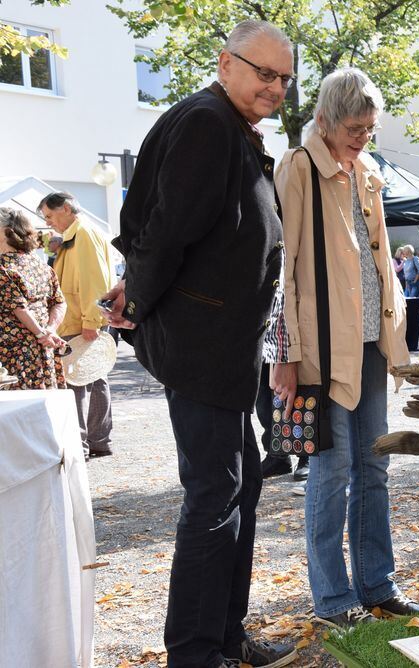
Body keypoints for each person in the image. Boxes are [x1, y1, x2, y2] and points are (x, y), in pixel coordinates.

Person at [102, 20, 297, 668]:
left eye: (284, 78)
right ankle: (194, 652)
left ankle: (222, 637)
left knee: (236, 491)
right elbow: (162, 231)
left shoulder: (232, 128)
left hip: (221, 350)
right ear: (226, 63)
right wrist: (140, 301)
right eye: (263, 72)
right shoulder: (209, 124)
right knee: (214, 499)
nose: (274, 86)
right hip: (201, 347)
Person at [272, 66, 419, 629]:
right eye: (356, 126)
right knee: (330, 474)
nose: (364, 136)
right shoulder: (298, 167)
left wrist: (394, 337)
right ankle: (334, 600)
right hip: (320, 350)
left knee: (374, 468)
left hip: (369, 344)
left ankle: (377, 584)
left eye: (370, 127)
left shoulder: (365, 172)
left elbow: (377, 262)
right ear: (327, 119)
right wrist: (283, 352)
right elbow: (279, 270)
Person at [39, 191, 116, 458]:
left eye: (49, 216)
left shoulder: (82, 235)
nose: (48, 222)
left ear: (66, 210)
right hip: (78, 318)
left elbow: (95, 280)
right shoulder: (76, 235)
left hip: (79, 320)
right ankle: (96, 440)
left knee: (79, 381)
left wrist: (91, 321)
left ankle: (82, 443)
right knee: (92, 378)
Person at [0, 207, 67, 389]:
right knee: (42, 406)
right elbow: (59, 302)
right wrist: (50, 331)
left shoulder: (4, 267)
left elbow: (19, 308)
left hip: (13, 353)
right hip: (42, 349)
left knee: (14, 410)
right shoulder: (41, 265)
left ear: (8, 232)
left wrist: (41, 333)